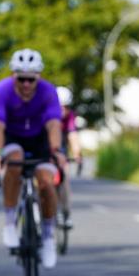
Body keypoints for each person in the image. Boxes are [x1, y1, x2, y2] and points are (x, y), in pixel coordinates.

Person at [0, 49, 66, 269]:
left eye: (30, 79)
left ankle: (49, 237)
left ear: (37, 77)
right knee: (14, 159)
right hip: (13, 138)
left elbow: (53, 124)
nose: (25, 84)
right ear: (13, 75)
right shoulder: (1, 91)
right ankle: (10, 222)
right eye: (20, 79)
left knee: (46, 182)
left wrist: (56, 150)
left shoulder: (48, 91)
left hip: (40, 140)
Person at [56, 86, 82, 229]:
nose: (63, 111)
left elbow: (73, 136)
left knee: (64, 178)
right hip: (46, 150)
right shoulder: (46, 114)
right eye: (60, 107)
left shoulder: (70, 117)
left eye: (66, 107)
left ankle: (66, 212)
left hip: (62, 150)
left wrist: (77, 154)